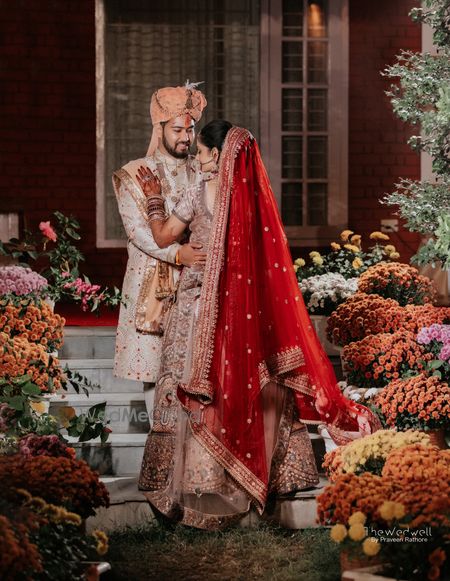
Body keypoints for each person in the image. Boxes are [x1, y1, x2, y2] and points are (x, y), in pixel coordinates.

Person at [137, 121, 380, 529]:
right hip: (245, 319)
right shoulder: (254, 199)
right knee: (247, 388)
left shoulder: (197, 193)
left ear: (217, 155)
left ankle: (200, 486)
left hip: (198, 313)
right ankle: (265, 481)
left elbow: (163, 237)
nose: (197, 157)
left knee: (201, 391)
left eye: (201, 152)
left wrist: (153, 199)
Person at [112, 83, 207, 416]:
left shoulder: (203, 168)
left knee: (194, 367)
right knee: (155, 371)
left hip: (197, 278)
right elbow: (138, 232)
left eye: (189, 130)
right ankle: (159, 440)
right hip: (151, 281)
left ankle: (189, 444)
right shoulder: (134, 172)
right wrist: (178, 254)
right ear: (159, 128)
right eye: (177, 130)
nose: (185, 138)